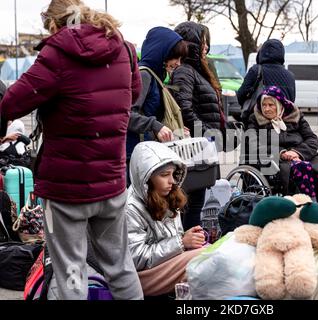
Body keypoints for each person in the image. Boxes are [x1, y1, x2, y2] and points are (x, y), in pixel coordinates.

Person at [0, 0, 143, 300]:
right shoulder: (125, 48)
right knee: (120, 266)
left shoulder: (57, 53)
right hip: (112, 181)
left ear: (54, 25)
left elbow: (11, 103)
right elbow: (133, 94)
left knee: (71, 271)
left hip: (66, 190)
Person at [243, 86, 318, 214]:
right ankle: (311, 210)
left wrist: (297, 152)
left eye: (271, 105)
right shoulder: (255, 120)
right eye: (264, 105)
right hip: (275, 160)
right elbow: (254, 146)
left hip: (302, 155)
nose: (266, 109)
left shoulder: (295, 116)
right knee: (302, 167)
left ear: (279, 105)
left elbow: (312, 139)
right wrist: (282, 153)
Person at [126, 141, 205, 296]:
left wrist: (188, 238)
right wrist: (181, 242)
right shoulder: (131, 207)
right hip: (140, 277)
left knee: (212, 252)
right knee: (202, 260)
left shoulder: (167, 195)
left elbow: (168, 240)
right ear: (146, 177)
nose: (172, 181)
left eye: (173, 174)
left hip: (163, 265)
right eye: (164, 175)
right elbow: (136, 258)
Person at [171, 21, 223, 230]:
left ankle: (191, 247)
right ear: (192, 44)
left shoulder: (197, 71)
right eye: (202, 42)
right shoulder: (185, 71)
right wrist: (206, 135)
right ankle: (188, 250)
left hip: (202, 145)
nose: (206, 47)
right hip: (194, 147)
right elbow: (184, 108)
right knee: (191, 205)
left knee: (196, 203)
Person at [126, 26, 189, 185]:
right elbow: (127, 115)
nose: (178, 63)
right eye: (176, 57)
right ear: (163, 53)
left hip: (144, 153)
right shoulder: (145, 75)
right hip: (135, 156)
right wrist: (155, 125)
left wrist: (172, 127)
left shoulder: (155, 76)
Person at [237, 39, 296, 126]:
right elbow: (291, 100)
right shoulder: (290, 75)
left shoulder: (256, 70)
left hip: (257, 123)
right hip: (283, 124)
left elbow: (241, 95)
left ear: (262, 53)